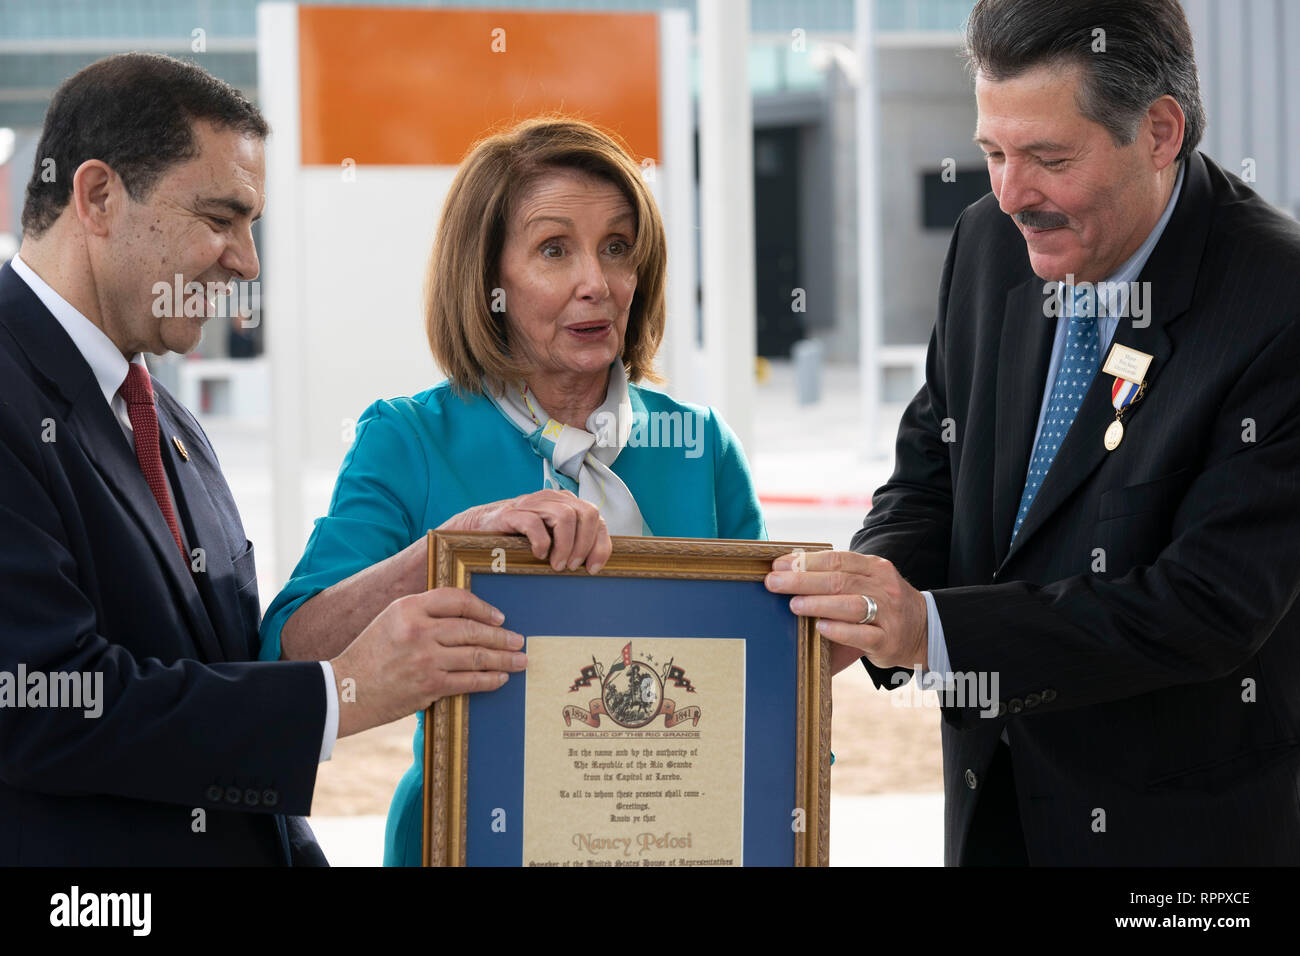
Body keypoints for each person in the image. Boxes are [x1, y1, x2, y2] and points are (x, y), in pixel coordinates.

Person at [766, 0, 1300, 865]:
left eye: (1049, 158)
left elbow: (1205, 608)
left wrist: (930, 629)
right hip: (989, 815)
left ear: (1160, 132)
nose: (1011, 196)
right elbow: (930, 473)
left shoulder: (1275, 304)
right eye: (992, 153)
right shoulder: (986, 243)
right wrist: (865, 596)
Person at [0, 53, 525, 865]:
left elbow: (220, 680)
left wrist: (430, 559)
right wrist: (344, 691)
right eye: (221, 218)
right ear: (98, 197)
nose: (246, 262)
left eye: (253, 226)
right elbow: (47, 707)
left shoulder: (166, 422)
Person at [261, 117, 767, 867]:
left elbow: (759, 675)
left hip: (676, 839)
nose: (596, 281)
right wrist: (447, 550)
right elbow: (288, 653)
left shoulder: (701, 444)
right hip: (463, 839)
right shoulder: (409, 438)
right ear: (489, 280)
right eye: (555, 250)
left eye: (618, 248)